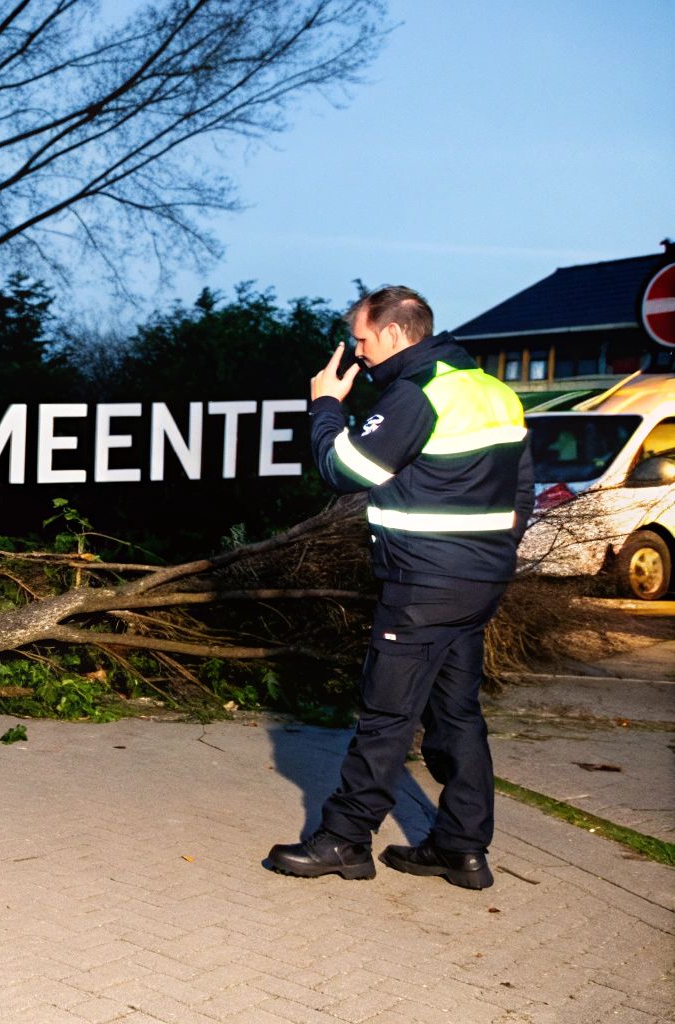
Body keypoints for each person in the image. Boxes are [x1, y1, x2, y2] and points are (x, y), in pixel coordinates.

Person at [267, 285, 533, 890]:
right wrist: (486, 561)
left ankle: (344, 839)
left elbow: (346, 470)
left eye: (361, 340)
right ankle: (461, 849)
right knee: (456, 715)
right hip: (477, 583)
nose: (357, 354)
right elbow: (521, 497)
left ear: (394, 333)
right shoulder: (494, 391)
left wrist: (326, 405)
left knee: (386, 715)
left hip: (421, 585)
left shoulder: (418, 394)